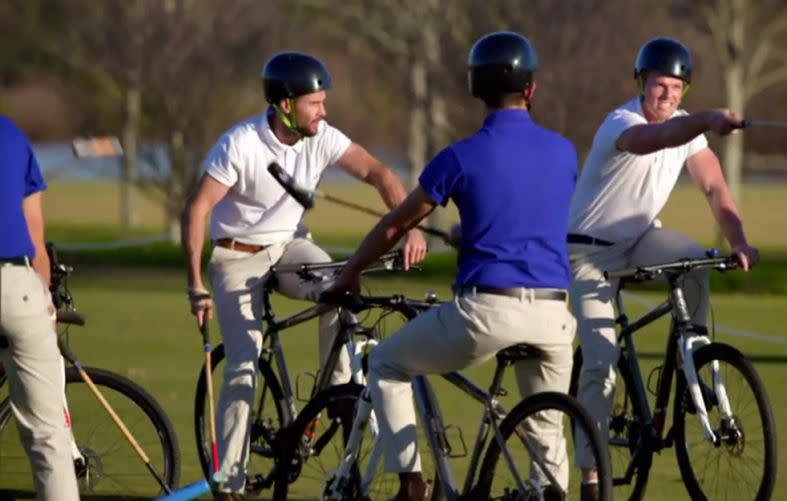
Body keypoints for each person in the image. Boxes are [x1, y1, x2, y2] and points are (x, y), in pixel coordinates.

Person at [328, 31, 581, 501]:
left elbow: (394, 227)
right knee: (546, 430)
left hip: (487, 312)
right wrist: (474, 234)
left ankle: (411, 483)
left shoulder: (459, 157)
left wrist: (351, 272)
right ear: (531, 89)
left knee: (385, 363)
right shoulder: (564, 152)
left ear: (475, 89)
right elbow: (525, 214)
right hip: (555, 316)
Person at [180, 51, 428, 499]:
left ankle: (337, 399)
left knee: (342, 287)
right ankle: (230, 485)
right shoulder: (240, 144)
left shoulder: (321, 136)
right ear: (285, 104)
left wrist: (407, 226)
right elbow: (197, 209)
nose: (324, 111)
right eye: (316, 103)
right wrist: (196, 283)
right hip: (237, 257)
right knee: (243, 364)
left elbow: (377, 171)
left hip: (291, 245)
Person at [566, 37, 760, 485]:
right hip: (587, 252)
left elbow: (714, 188)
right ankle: (592, 476)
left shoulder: (685, 127)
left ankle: (690, 356)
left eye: (677, 88)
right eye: (660, 86)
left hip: (637, 241)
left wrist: (740, 241)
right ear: (641, 83)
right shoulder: (622, 122)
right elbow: (652, 140)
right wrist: (707, 120)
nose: (668, 95)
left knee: (695, 260)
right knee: (600, 361)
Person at [0, 115, 81, 500]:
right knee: (49, 438)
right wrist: (45, 298)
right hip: (18, 286)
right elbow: (36, 236)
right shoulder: (13, 135)